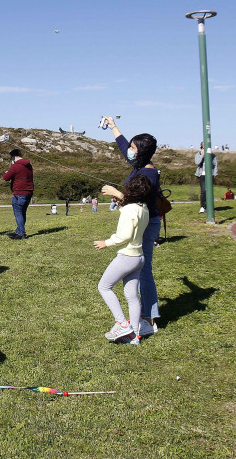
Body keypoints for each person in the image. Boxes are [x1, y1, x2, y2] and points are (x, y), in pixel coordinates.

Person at [100, 116, 161, 335]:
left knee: (144, 270)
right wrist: (113, 127)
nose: (130, 151)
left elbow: (137, 200)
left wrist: (117, 194)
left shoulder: (149, 173)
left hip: (147, 223)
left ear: (142, 152)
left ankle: (149, 320)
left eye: (134, 148)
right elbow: (123, 146)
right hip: (141, 221)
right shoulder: (139, 165)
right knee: (138, 272)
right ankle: (140, 317)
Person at [93, 174, 153, 345]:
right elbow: (131, 213)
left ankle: (121, 324)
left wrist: (107, 242)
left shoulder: (129, 210)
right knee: (131, 295)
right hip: (139, 257)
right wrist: (121, 200)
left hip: (127, 257)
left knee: (104, 286)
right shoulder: (144, 208)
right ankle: (134, 335)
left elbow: (124, 235)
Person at [2, 149, 34, 240]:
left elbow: (6, 178)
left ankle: (22, 233)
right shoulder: (28, 165)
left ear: (13, 157)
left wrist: (6, 173)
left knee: (18, 213)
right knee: (22, 213)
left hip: (19, 192)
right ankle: (18, 231)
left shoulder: (15, 166)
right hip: (28, 191)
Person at [194, 142, 219, 214]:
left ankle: (209, 207)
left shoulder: (213, 156)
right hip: (202, 175)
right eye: (203, 147)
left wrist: (214, 174)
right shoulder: (198, 154)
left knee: (209, 191)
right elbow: (197, 162)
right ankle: (202, 206)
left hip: (210, 175)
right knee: (203, 191)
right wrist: (203, 155)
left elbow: (215, 165)